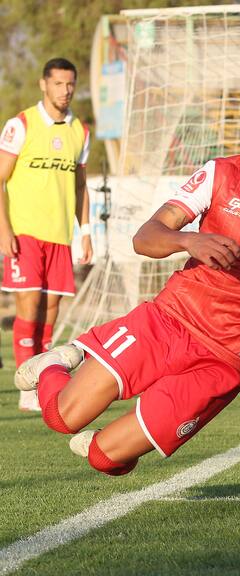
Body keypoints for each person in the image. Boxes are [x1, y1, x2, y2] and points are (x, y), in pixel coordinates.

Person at [14, 92, 240, 476]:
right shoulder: (221, 174)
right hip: (169, 321)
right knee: (62, 418)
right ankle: (55, 363)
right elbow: (145, 237)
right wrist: (188, 240)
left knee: (106, 458)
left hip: (225, 361)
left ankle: (118, 437)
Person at [0, 58, 93, 412]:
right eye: (57, 83)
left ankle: (41, 381)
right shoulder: (21, 124)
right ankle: (27, 389)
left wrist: (85, 231)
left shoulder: (80, 131)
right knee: (29, 305)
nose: (64, 91)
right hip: (25, 232)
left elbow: (80, 185)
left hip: (59, 236)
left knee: (51, 311)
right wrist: (4, 229)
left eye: (70, 84)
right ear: (43, 84)